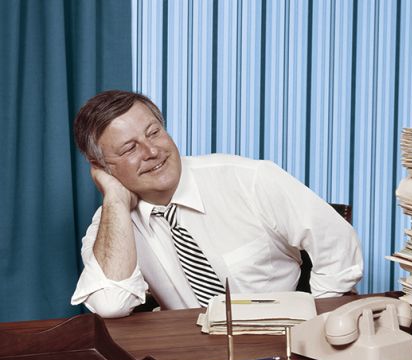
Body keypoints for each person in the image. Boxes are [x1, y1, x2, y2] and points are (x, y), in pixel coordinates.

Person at [70, 90, 363, 318]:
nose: (152, 151)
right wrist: (116, 200)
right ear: (102, 166)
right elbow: (110, 305)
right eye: (130, 148)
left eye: (154, 132)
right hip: (192, 350)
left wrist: (314, 322)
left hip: (285, 340)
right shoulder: (112, 222)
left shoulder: (249, 180)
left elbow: (337, 243)